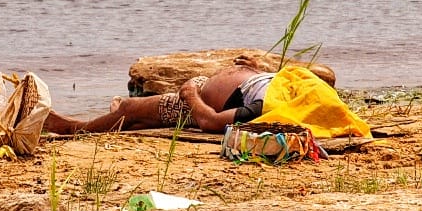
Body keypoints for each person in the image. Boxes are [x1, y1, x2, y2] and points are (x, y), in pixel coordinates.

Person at [43, 65, 282, 134]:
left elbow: (211, 122)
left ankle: (71, 128)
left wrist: (190, 95)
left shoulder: (262, 109)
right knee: (136, 118)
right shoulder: (293, 92)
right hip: (211, 88)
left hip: (194, 104)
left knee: (129, 109)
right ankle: (120, 117)